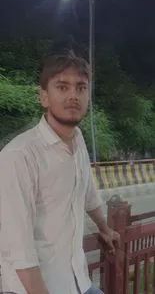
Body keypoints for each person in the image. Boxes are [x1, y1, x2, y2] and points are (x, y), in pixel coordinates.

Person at [0, 52, 120, 294]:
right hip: (33, 287)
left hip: (76, 280)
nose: (73, 95)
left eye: (81, 88)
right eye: (62, 87)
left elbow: (87, 192)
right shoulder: (19, 156)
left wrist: (105, 229)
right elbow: (17, 248)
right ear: (44, 97)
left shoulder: (77, 141)